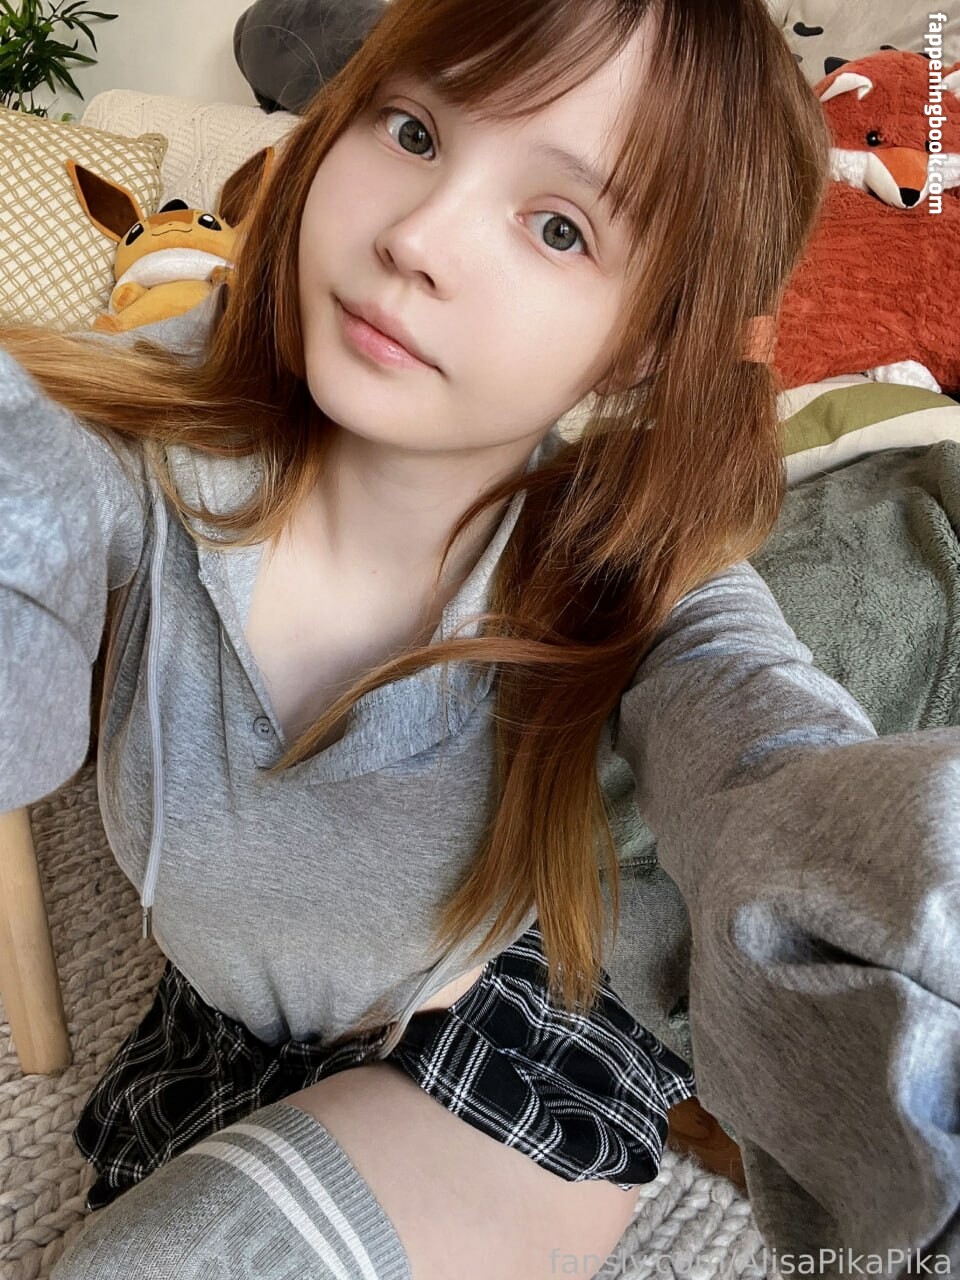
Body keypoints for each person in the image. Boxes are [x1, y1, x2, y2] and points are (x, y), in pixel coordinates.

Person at [1, 0, 957, 1276]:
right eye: (413, 129)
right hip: (231, 1021)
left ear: (644, 343)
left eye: (559, 225)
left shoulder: (624, 561)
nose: (417, 238)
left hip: (518, 1017)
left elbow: (770, 759)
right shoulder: (121, 443)